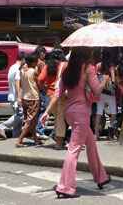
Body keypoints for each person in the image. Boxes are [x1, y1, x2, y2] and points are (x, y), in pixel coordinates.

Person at [40, 47, 110, 198]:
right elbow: (96, 91)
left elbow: (58, 93)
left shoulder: (68, 69)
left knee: (91, 144)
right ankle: (65, 187)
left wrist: (47, 112)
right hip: (81, 115)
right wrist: (104, 81)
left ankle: (101, 177)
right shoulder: (89, 68)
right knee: (73, 150)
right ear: (85, 53)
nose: (92, 52)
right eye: (90, 51)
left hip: (70, 113)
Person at [38, 49, 68, 149]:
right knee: (60, 118)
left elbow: (40, 79)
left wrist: (46, 88)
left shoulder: (48, 66)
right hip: (61, 95)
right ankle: (59, 142)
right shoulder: (64, 65)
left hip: (50, 95)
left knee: (56, 118)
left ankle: (59, 140)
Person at [0, 52, 26, 139]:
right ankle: (1, 127)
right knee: (20, 116)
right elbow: (17, 83)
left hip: (12, 96)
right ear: (23, 59)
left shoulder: (12, 67)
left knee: (19, 118)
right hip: (17, 97)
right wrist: (19, 97)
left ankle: (16, 136)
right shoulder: (18, 69)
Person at [16, 53, 43, 147]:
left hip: (25, 97)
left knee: (32, 120)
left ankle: (36, 139)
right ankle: (19, 140)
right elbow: (40, 83)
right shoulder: (34, 71)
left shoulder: (22, 71)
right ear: (33, 62)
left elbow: (20, 83)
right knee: (30, 120)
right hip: (33, 98)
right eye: (36, 62)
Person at [95, 48, 118, 141]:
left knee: (99, 111)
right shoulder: (111, 66)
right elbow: (113, 80)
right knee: (113, 111)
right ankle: (110, 133)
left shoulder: (97, 65)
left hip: (100, 90)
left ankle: (96, 133)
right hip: (109, 91)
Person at [34, 46, 50, 140]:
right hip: (42, 90)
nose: (45, 55)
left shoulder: (34, 62)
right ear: (41, 53)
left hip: (36, 90)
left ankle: (36, 130)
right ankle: (40, 130)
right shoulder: (42, 64)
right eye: (44, 54)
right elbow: (43, 78)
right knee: (44, 111)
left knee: (39, 111)